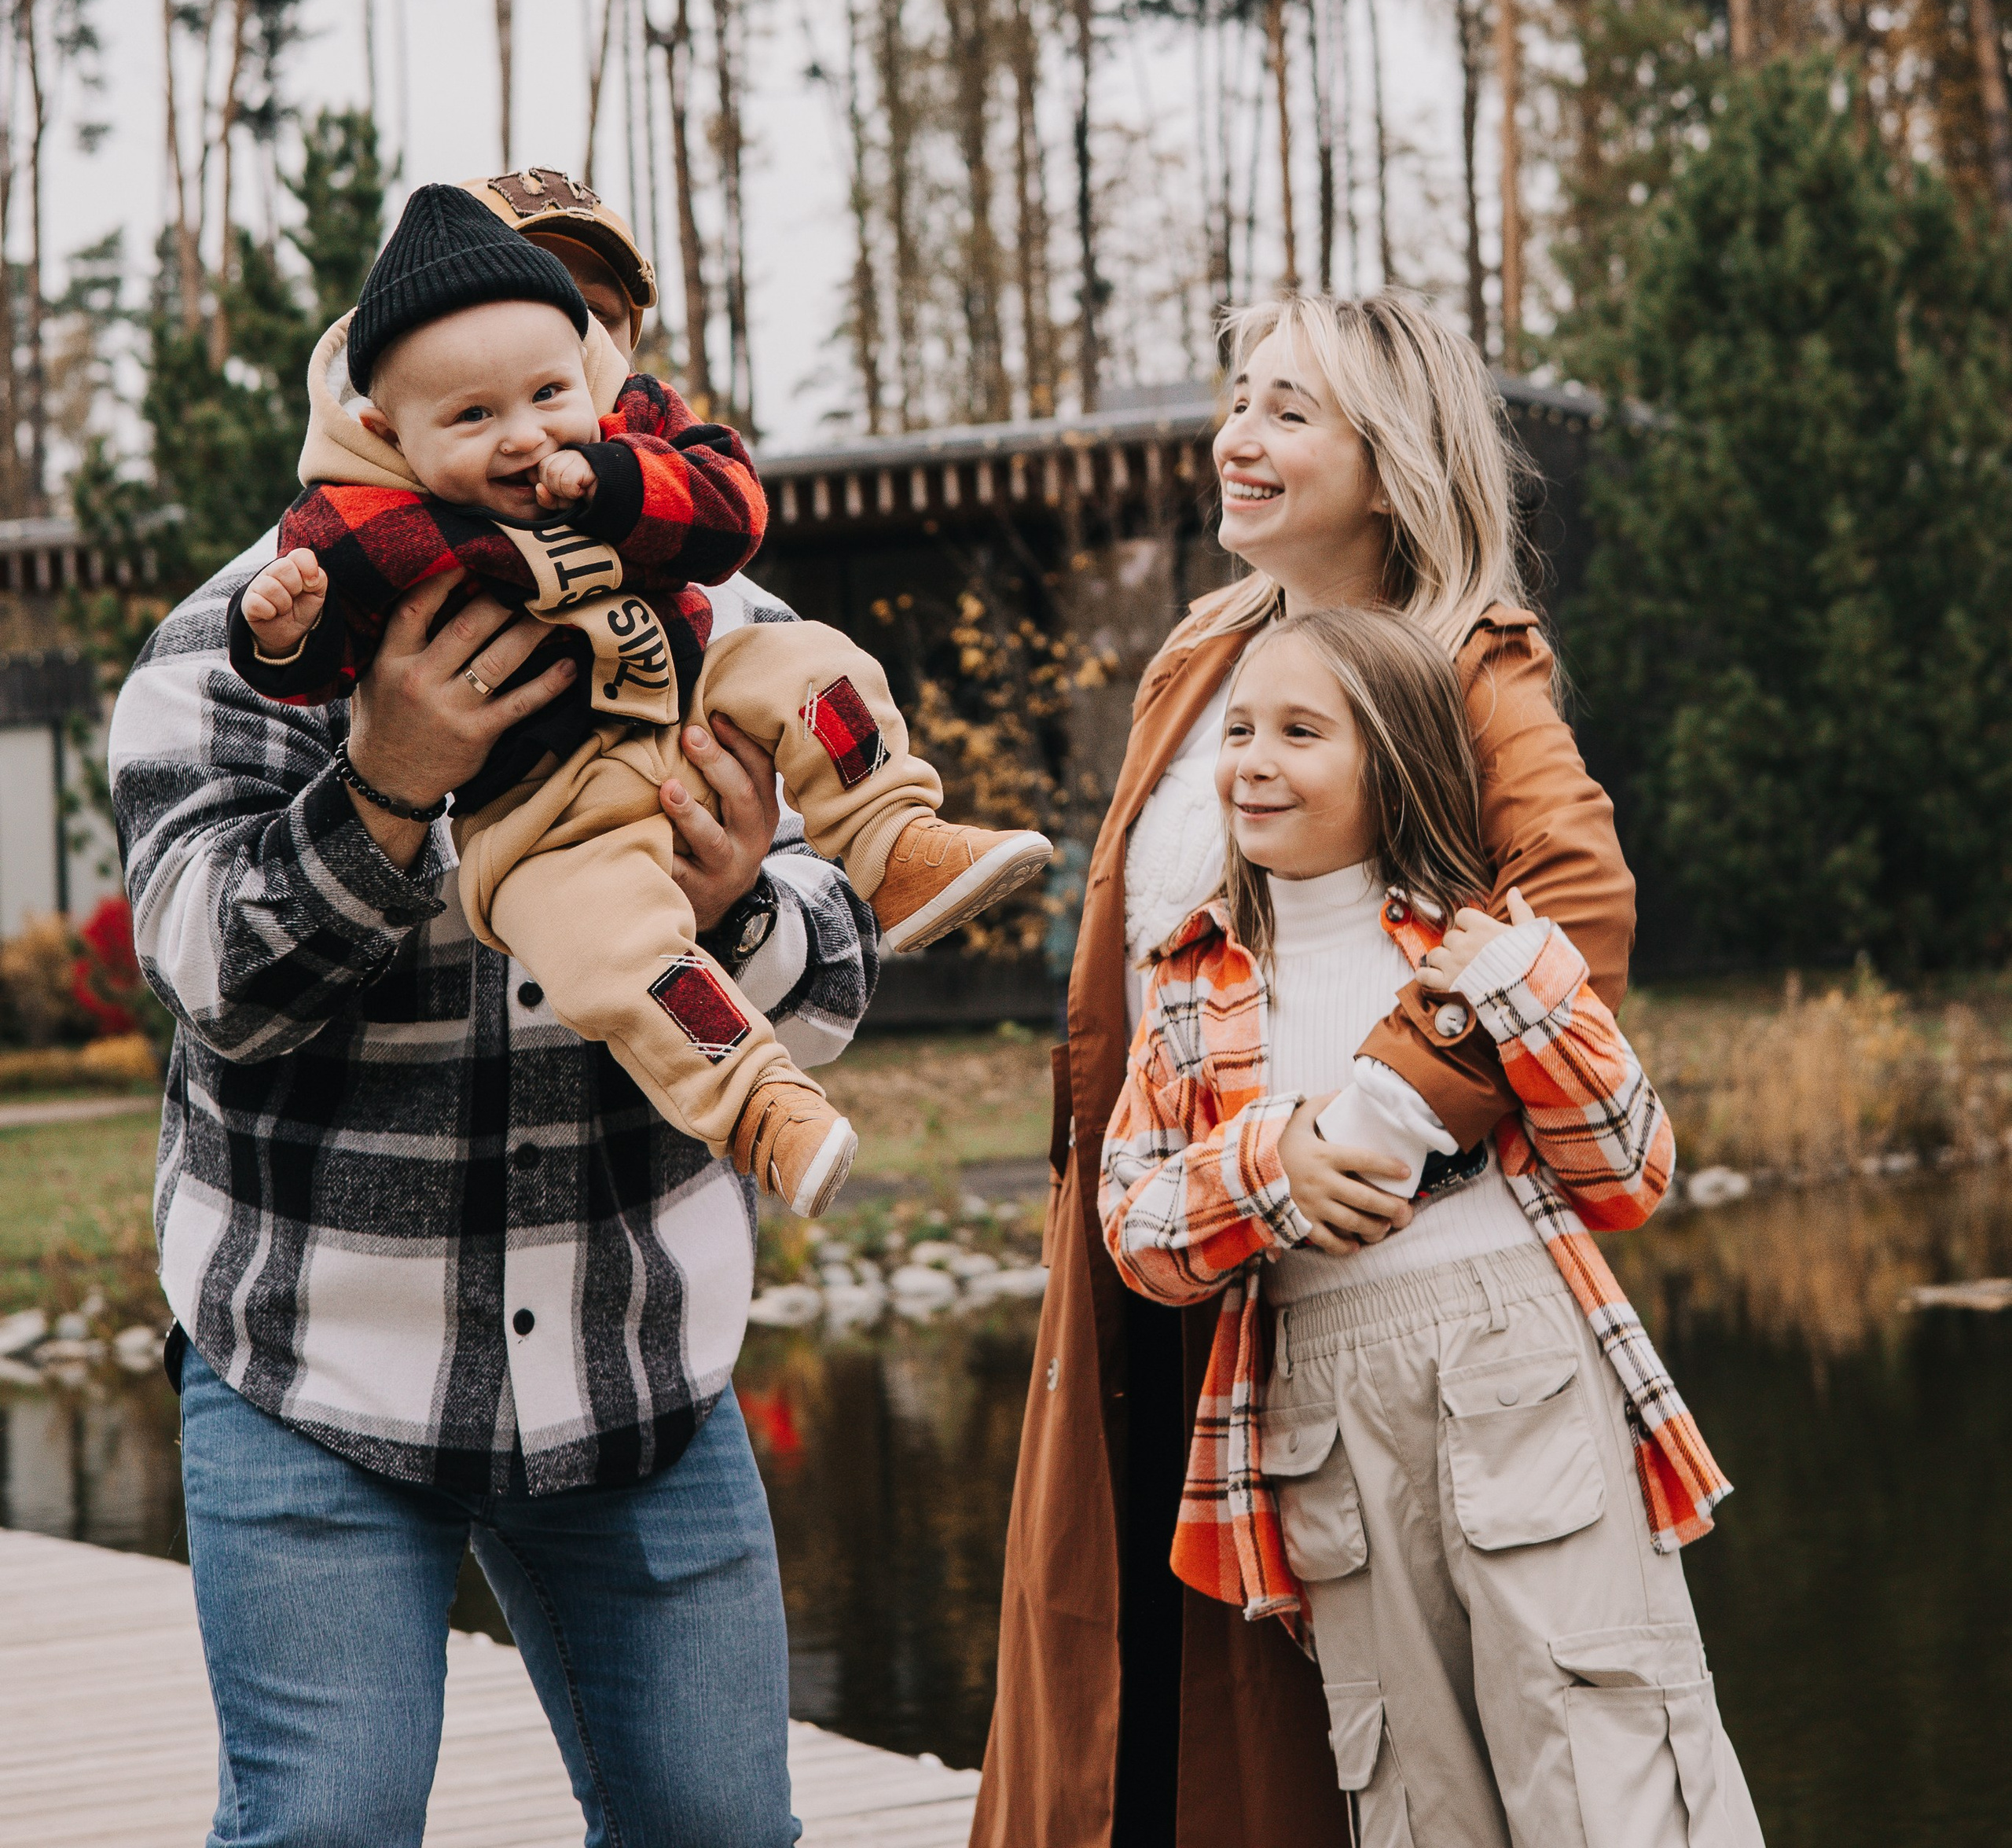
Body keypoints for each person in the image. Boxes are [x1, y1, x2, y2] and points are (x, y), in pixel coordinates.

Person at [112, 175, 868, 1848]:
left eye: (583, 336)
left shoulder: (720, 626)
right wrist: (383, 785)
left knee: (723, 1838)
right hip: (317, 1364)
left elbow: (824, 1001)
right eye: (494, 360)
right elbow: (211, 986)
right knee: (325, 1832)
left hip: (634, 1368)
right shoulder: (251, 639)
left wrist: (741, 898)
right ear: (386, 394)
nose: (545, 391)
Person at [975, 290, 1656, 1848]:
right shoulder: (1199, 652)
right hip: (1155, 1231)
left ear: (1389, 456)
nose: (1236, 437)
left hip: (1348, 1271)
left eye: (1287, 411)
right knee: (1110, 1685)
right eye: (1236, 398)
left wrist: (1373, 1120)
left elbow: (1572, 911)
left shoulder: (1464, 662)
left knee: (1302, 1729)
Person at [226, 183, 1052, 1215]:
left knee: (808, 665)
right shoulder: (358, 530)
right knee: (618, 960)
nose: (525, 434)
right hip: (545, 827)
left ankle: (902, 843)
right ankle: (757, 1104)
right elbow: (221, 987)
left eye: (570, 356)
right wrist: (304, 669)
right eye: (473, 409)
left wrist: (738, 902)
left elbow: (729, 502)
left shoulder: (652, 466)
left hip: (685, 709)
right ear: (393, 424)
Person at [1100, 603, 1759, 1846]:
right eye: (1239, 728)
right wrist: (1272, 1163)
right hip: (1321, 1407)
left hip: (1517, 1361)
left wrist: (1525, 989)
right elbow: (1134, 1230)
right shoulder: (1189, 980)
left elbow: (1633, 1169)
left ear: (1392, 759)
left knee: (1604, 1760)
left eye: (1302, 731)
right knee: (1414, 1790)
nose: (1253, 759)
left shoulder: (1475, 942)